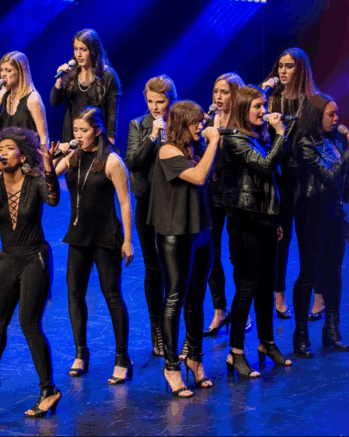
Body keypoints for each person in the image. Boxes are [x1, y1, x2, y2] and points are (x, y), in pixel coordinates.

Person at [0, 127, 62, 418]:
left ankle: (49, 390)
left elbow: (53, 199)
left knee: (29, 323)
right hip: (8, 259)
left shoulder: (35, 181)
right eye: (0, 148)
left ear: (23, 156)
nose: (3, 152)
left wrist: (50, 168)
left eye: (9, 148)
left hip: (35, 259)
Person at [54, 107, 133, 384]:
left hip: (105, 236)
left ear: (97, 131)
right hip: (78, 235)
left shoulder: (112, 161)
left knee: (112, 295)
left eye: (84, 130)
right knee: (74, 293)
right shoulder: (73, 156)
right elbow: (48, 177)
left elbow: (125, 203)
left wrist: (127, 241)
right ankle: (80, 352)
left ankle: (122, 358)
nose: (78, 135)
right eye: (75, 130)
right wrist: (55, 156)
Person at [147, 100, 219, 397]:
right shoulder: (167, 151)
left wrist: (210, 142)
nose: (201, 127)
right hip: (175, 232)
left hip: (200, 230)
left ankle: (195, 358)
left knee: (197, 298)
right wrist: (214, 142)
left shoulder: (196, 148)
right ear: (181, 124)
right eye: (195, 122)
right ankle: (171, 366)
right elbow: (199, 177)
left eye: (202, 122)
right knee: (175, 297)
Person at [221, 85, 292, 378]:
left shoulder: (258, 137)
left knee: (266, 284)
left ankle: (267, 343)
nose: (264, 111)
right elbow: (265, 167)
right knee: (247, 285)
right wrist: (281, 135)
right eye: (258, 107)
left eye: (264, 106)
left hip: (265, 218)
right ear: (243, 109)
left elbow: (271, 183)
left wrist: (276, 220)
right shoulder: (234, 139)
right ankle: (235, 352)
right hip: (245, 220)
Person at [292, 93, 349, 357]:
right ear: (317, 115)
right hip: (311, 213)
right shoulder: (305, 144)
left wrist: (341, 214)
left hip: (333, 212)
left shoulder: (333, 140)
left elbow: (341, 180)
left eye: (337, 114)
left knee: (334, 272)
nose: (336, 119)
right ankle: (301, 335)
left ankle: (332, 330)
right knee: (309, 273)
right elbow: (330, 176)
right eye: (331, 114)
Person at [261, 48, 321, 321]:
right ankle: (279, 294)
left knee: (309, 238)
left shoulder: (314, 101)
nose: (283, 71)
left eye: (289, 66)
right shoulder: (271, 98)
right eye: (280, 66)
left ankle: (318, 293)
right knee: (280, 238)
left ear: (301, 69)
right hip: (280, 175)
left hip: (305, 175)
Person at [126, 74, 176, 356]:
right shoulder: (138, 125)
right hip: (147, 203)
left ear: (171, 100)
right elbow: (133, 163)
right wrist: (152, 136)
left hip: (175, 203)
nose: (155, 107)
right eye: (150, 101)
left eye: (160, 102)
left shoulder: (179, 122)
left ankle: (173, 327)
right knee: (153, 267)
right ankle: (156, 327)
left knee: (176, 268)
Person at [204, 72, 254, 337]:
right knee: (211, 253)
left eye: (224, 92)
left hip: (236, 195)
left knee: (238, 255)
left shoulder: (243, 123)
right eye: (216, 91)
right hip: (213, 191)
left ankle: (242, 310)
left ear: (236, 95)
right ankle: (219, 310)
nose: (218, 97)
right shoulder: (210, 119)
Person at [51, 29, 120, 144]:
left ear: (94, 51)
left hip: (96, 140)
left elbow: (112, 115)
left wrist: (110, 145)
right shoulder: (70, 72)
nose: (78, 54)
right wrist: (60, 81)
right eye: (75, 49)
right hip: (73, 139)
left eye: (83, 49)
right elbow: (54, 102)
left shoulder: (108, 76)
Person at [0, 51, 48, 146]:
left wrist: (45, 155)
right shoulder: (3, 93)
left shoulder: (32, 99)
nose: (3, 74)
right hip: (0, 149)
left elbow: (44, 137)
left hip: (23, 151)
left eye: (8, 71)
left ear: (21, 72)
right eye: (2, 70)